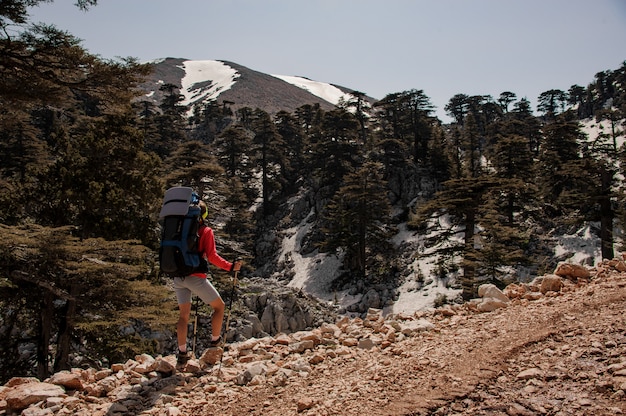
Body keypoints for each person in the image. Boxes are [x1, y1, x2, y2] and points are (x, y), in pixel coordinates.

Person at [173, 200, 241, 366]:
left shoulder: (180, 229)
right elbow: (212, 257)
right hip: (196, 277)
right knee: (219, 306)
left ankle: (182, 353)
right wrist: (231, 267)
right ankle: (214, 343)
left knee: (183, 315)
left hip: (178, 277)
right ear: (204, 215)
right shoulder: (206, 231)